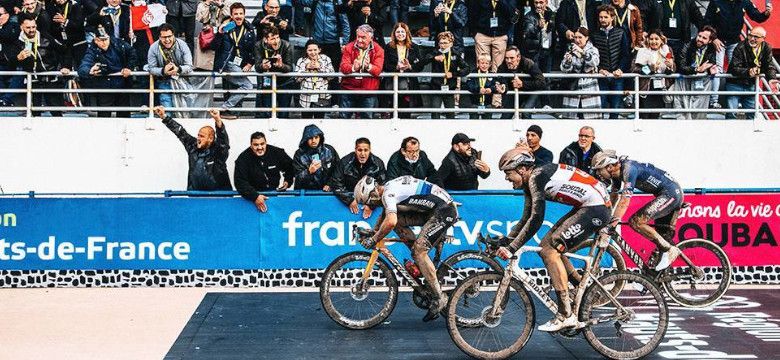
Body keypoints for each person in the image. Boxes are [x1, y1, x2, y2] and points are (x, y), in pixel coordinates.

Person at [494, 147, 611, 332]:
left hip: (596, 208)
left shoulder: (535, 178)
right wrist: (507, 241)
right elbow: (526, 218)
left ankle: (566, 315)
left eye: (508, 174)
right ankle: (580, 287)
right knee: (546, 247)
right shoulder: (530, 180)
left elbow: (536, 220)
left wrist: (512, 248)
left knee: (550, 251)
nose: (507, 178)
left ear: (522, 169)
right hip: (588, 204)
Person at [353, 174, 458, 321]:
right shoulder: (388, 189)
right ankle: (422, 265)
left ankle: (439, 298)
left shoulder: (387, 194)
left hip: (443, 211)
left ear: (374, 193)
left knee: (419, 252)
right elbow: (387, 214)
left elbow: (390, 221)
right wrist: (375, 232)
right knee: (399, 223)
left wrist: (374, 239)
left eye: (369, 202)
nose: (370, 206)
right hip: (431, 210)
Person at [591, 149, 684, 271]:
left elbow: (624, 201)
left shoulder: (629, 170)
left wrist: (613, 222)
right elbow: (614, 196)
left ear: (609, 167)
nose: (598, 173)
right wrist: (607, 215)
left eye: (599, 169)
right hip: (665, 193)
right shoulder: (616, 173)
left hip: (670, 193)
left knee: (636, 221)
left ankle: (669, 250)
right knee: (662, 238)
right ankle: (652, 278)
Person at [705, 0, 771, 109]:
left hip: (734, 42)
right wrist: (714, 38)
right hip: (719, 41)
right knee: (717, 69)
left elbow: (756, 16)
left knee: (736, 69)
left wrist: (765, 14)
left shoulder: (744, 2)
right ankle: (713, 101)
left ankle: (737, 98)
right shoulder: (716, 2)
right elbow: (706, 22)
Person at [155, 106, 232, 191]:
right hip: (195, 195)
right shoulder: (192, 146)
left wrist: (218, 120)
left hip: (219, 196)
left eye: (202, 136)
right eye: (198, 135)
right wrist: (164, 117)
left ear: (210, 139)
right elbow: (180, 132)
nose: (198, 138)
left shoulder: (218, 152)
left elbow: (223, 142)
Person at [9, 14, 70, 116]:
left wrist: (66, 66)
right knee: (34, 112)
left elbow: (65, 50)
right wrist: (17, 58)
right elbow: (10, 63)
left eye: (34, 27)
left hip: (50, 78)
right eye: (28, 28)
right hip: (32, 80)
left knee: (56, 111)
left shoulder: (45, 36)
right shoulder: (17, 42)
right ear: (21, 27)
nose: (32, 30)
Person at [77, 25, 137, 118]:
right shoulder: (92, 50)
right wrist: (90, 71)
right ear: (96, 40)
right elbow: (83, 66)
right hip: (104, 87)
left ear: (109, 37)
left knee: (124, 117)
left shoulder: (119, 44)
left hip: (122, 85)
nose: (104, 43)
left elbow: (132, 53)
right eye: (101, 40)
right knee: (104, 118)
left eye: (105, 39)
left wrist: (129, 67)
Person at [212, 2, 255, 119]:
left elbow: (252, 49)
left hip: (240, 65)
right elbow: (213, 47)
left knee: (242, 88)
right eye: (236, 14)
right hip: (226, 64)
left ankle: (228, 111)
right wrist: (219, 34)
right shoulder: (226, 28)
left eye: (241, 13)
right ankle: (225, 109)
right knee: (247, 86)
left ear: (245, 15)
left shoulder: (249, 30)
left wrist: (250, 63)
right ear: (231, 15)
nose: (238, 16)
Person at [725, 26, 778, 119]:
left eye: (756, 37)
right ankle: (730, 133)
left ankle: (752, 134)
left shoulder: (766, 47)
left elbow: (769, 65)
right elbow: (734, 68)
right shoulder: (740, 46)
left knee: (753, 115)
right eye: (750, 35)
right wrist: (748, 71)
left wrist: (772, 78)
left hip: (750, 85)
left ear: (763, 39)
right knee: (731, 114)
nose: (752, 39)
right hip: (735, 84)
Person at [233, 131, 294, 213]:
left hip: (273, 196)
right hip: (251, 200)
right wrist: (255, 196)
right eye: (256, 145)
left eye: (262, 144)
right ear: (251, 145)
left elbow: (291, 166)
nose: (260, 147)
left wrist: (288, 180)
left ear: (266, 143)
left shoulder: (276, 152)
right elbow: (240, 181)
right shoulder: (243, 158)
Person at [330, 137, 387, 217]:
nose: (362, 154)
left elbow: (383, 187)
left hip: (369, 204)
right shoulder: (345, 162)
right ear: (355, 150)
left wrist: (371, 205)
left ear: (370, 150)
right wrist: (350, 200)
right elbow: (336, 183)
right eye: (360, 150)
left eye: (366, 150)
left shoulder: (378, 164)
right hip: (348, 203)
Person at [419, 31, 469, 119]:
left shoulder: (455, 54)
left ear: (451, 43)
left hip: (450, 87)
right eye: (441, 43)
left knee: (450, 113)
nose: (443, 45)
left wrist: (454, 74)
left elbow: (467, 69)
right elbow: (422, 62)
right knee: (435, 111)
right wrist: (433, 58)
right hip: (436, 87)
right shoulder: (435, 52)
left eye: (445, 43)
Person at [592, 5, 630, 119]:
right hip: (602, 76)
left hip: (617, 76)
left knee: (615, 107)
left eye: (605, 17)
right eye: (600, 17)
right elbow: (593, 55)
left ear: (612, 18)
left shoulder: (621, 33)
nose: (602, 19)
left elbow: (625, 54)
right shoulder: (594, 35)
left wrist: (620, 69)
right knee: (601, 105)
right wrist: (599, 69)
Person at [339, 24, 384, 119]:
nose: (359, 40)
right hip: (349, 90)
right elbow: (343, 67)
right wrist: (353, 68)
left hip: (368, 91)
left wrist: (368, 66)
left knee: (367, 120)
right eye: (358, 36)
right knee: (343, 119)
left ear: (371, 38)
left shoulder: (378, 49)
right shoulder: (349, 47)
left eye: (363, 37)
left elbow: (378, 70)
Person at [674, 26, 718, 120]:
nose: (700, 39)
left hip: (700, 83)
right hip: (684, 81)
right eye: (699, 36)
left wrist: (711, 70)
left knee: (699, 111)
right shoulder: (687, 45)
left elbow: (712, 62)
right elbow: (681, 66)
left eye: (704, 38)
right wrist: (697, 69)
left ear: (710, 41)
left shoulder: (711, 48)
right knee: (683, 109)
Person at [147, 23, 194, 108]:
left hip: (183, 81)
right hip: (164, 82)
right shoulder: (153, 48)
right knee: (167, 110)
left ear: (173, 35)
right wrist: (163, 71)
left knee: (185, 111)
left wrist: (178, 69)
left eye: (170, 36)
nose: (167, 40)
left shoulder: (183, 45)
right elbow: (151, 68)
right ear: (159, 37)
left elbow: (189, 66)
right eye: (164, 37)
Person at [631, 29, 675, 119]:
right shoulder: (642, 51)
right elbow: (634, 68)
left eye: (656, 39)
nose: (653, 41)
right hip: (646, 87)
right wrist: (649, 70)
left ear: (661, 40)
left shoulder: (667, 50)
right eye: (651, 39)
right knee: (645, 115)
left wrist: (670, 66)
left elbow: (672, 69)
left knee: (656, 116)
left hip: (660, 87)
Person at [560, 27, 601, 119]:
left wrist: (583, 53)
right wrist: (568, 61)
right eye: (575, 37)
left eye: (580, 37)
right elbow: (564, 69)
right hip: (573, 87)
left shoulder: (593, 49)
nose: (577, 40)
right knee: (570, 119)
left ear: (586, 38)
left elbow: (594, 62)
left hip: (589, 87)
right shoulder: (570, 49)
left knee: (590, 118)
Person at [383, 22, 423, 116]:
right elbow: (385, 65)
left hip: (409, 82)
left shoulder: (414, 47)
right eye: (398, 32)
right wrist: (396, 67)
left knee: (406, 112)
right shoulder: (388, 47)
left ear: (407, 33)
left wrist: (410, 66)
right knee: (393, 109)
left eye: (402, 32)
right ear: (394, 34)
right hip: (392, 81)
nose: (400, 34)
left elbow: (420, 65)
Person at [254, 25, 293, 118]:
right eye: (272, 39)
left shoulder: (286, 45)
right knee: (267, 112)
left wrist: (281, 65)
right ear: (265, 39)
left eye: (277, 38)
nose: (276, 41)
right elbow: (257, 67)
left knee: (283, 114)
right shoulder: (259, 45)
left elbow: (290, 68)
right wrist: (263, 66)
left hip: (284, 82)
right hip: (267, 81)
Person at [497, 46, 545, 119]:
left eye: (512, 58)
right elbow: (500, 77)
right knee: (506, 115)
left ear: (518, 57)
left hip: (532, 91)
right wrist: (503, 85)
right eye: (506, 58)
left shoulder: (528, 63)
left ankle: (529, 130)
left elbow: (541, 82)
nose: (509, 61)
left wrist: (522, 84)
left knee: (526, 111)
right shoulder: (503, 65)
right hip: (514, 92)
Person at [300, 0, 350, 70]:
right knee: (317, 70)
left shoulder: (337, 3)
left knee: (333, 70)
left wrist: (345, 43)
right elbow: (302, 2)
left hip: (333, 43)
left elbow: (345, 24)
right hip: (317, 43)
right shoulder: (315, 1)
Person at [469, 0, 514, 73]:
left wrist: (501, 1)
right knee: (483, 64)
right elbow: (472, 14)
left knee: (498, 67)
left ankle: (496, 83)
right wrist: (474, 33)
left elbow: (511, 13)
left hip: (500, 35)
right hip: (482, 34)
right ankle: (482, 83)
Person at [293, 124, 340, 191]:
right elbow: (297, 178)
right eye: (310, 138)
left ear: (320, 138)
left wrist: (330, 184)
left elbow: (338, 171)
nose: (314, 141)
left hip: (327, 191)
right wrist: (308, 172)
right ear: (305, 139)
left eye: (316, 137)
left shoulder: (329, 150)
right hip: (306, 193)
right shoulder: (299, 154)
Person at [295, 39, 334, 118]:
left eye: (315, 50)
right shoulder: (301, 60)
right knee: (306, 122)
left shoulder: (326, 59)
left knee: (319, 121)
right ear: (306, 50)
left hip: (321, 97)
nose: (313, 53)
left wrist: (320, 67)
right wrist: (306, 68)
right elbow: (297, 79)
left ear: (319, 50)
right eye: (310, 50)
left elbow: (332, 76)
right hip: (306, 97)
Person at [46, 0, 87, 70]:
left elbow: (80, 26)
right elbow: (50, 27)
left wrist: (65, 21)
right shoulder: (51, 6)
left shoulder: (75, 5)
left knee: (81, 68)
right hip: (63, 45)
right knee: (65, 70)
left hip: (78, 44)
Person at [465, 53, 506, 119]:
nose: (484, 65)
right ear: (478, 63)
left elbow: (498, 84)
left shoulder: (492, 75)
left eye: (486, 63)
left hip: (488, 104)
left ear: (490, 64)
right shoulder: (473, 74)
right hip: (475, 104)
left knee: (487, 123)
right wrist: (478, 89)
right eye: (482, 63)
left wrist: (491, 89)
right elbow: (469, 85)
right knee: (473, 124)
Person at [194, 0, 231, 71]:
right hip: (207, 36)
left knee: (222, 66)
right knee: (205, 66)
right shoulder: (202, 5)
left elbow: (230, 15)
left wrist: (221, 6)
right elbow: (200, 18)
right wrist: (207, 4)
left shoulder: (228, 3)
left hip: (223, 36)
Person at [0, 6, 21, 107]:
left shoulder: (14, 25)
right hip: (2, 62)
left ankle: (6, 99)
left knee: (20, 75)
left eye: (0, 15)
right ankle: (4, 99)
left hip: (13, 60)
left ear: (7, 15)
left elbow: (8, 36)